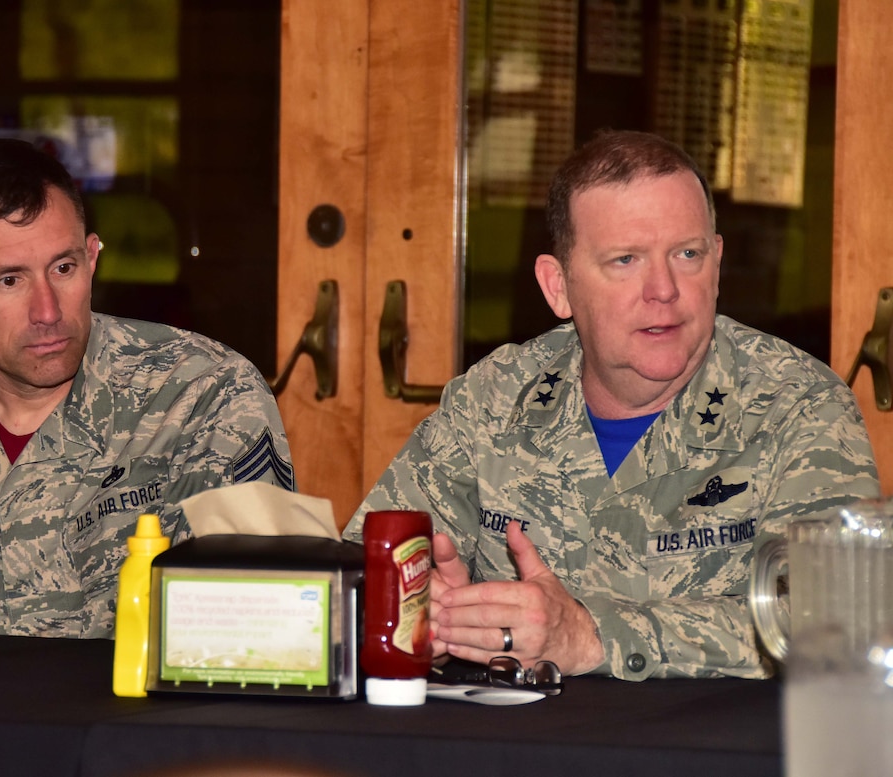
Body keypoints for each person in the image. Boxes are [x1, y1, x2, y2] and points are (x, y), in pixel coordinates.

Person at [343, 129, 879, 680]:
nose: (664, 289)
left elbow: (838, 618)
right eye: (625, 260)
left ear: (717, 264)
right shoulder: (494, 400)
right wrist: (426, 616)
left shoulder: (798, 406)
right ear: (559, 286)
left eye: (687, 254)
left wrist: (593, 636)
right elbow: (357, 576)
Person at [0, 138, 295, 639]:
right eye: (9, 280)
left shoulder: (204, 395)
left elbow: (245, 634)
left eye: (64, 268)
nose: (48, 312)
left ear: (92, 258)